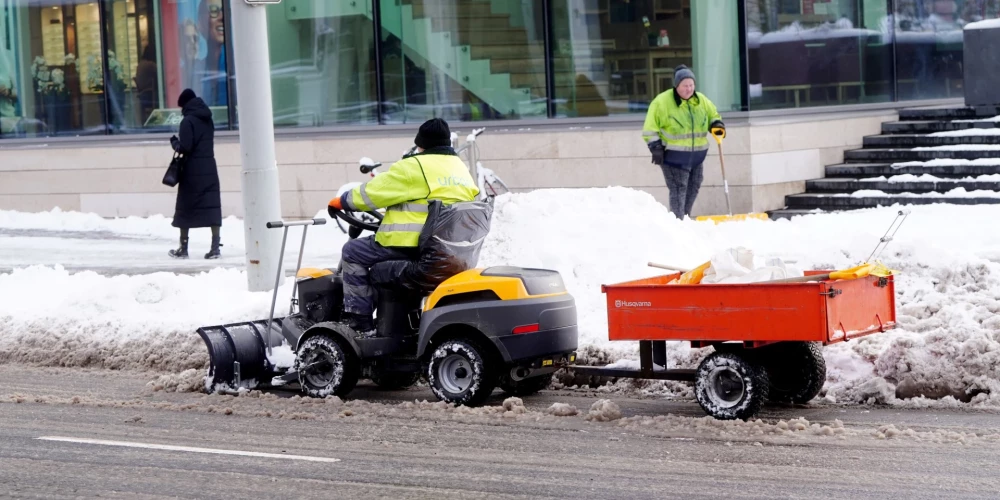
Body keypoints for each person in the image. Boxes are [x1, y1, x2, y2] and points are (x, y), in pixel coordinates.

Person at [328, 118, 479, 335]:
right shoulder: (459, 169)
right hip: (451, 252)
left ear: (421, 144)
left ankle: (359, 324)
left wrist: (342, 202)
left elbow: (372, 193)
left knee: (352, 252)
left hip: (413, 246)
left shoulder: (414, 166)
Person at [642, 65, 725, 219]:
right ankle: (678, 221)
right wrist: (655, 147)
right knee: (679, 188)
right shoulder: (662, 102)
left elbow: (713, 115)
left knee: (694, 185)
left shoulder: (701, 101)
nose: (689, 89)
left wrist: (716, 125)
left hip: (696, 157)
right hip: (673, 157)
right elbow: (649, 127)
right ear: (677, 86)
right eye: (685, 86)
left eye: (691, 85)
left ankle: (684, 218)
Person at [168, 88, 223, 259]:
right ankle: (215, 247)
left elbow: (186, 147)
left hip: (192, 171)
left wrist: (174, 142)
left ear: (185, 105)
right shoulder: (208, 119)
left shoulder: (188, 121)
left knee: (185, 208)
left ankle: (183, 248)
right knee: (212, 207)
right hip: (209, 168)